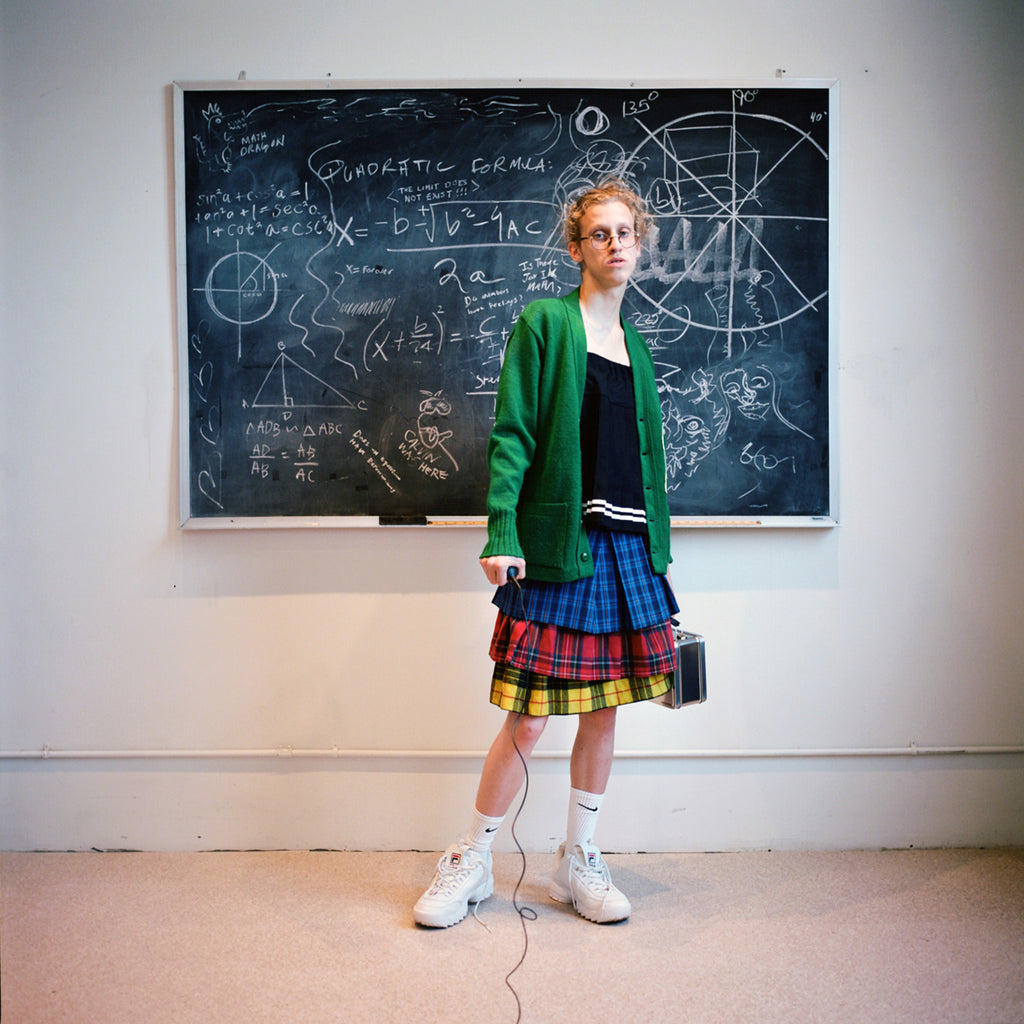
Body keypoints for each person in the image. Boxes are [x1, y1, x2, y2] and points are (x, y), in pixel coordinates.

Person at [413, 179, 677, 928]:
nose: (617, 243)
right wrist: (503, 531)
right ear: (576, 247)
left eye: (627, 232)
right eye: (601, 233)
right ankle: (472, 859)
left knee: (604, 712)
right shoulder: (545, 323)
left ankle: (577, 859)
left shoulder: (637, 349)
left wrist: (659, 552)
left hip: (627, 550)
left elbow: (648, 463)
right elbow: (514, 434)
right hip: (562, 545)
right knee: (529, 719)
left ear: (639, 243)